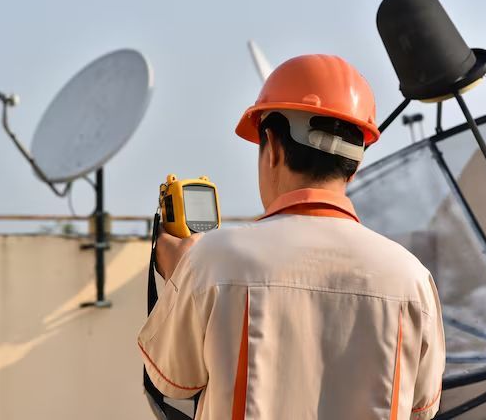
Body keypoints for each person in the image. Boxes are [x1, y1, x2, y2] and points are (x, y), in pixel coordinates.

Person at [138, 54, 445, 419]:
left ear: (274, 147)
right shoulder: (412, 279)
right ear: (355, 162)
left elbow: (172, 379)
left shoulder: (213, 262)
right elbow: (422, 407)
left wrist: (181, 274)